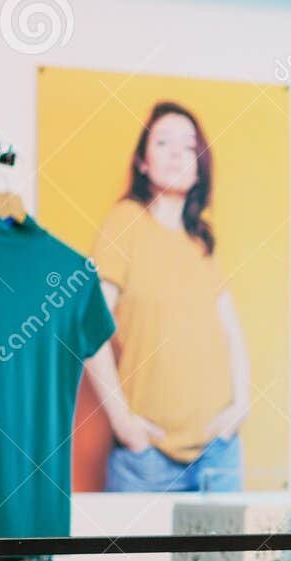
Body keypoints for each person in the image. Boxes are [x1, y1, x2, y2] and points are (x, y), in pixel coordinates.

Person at [82, 101, 252, 492]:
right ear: (142, 162)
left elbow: (231, 332)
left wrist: (240, 406)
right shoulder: (124, 221)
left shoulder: (201, 238)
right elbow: (89, 326)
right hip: (147, 459)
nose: (177, 153)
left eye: (189, 145)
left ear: (200, 163)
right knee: (138, 557)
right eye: (162, 142)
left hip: (218, 452)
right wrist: (125, 426)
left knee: (225, 557)